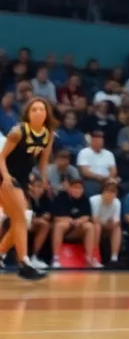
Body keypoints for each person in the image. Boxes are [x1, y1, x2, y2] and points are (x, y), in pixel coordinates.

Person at [0, 97, 55, 279]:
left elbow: (43, 164)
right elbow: (1, 158)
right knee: (20, 218)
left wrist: (45, 182)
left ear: (47, 113)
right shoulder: (18, 132)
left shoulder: (48, 135)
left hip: (22, 180)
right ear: (28, 114)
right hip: (5, 176)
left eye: (41, 109)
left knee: (21, 220)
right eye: (34, 109)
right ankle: (23, 262)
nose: (38, 112)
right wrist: (6, 176)